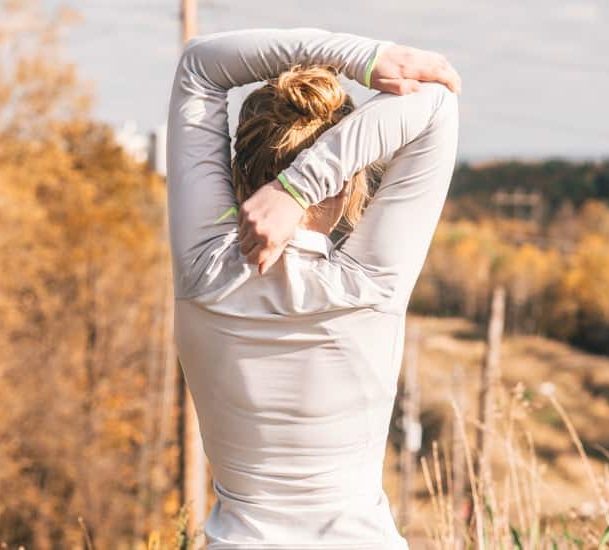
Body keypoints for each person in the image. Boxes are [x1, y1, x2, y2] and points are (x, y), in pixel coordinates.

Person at [166, 27, 461, 549]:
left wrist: (364, 59)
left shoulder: (203, 272)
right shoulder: (369, 287)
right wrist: (299, 187)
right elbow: (436, 104)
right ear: (347, 181)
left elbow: (201, 67)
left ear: (236, 171)